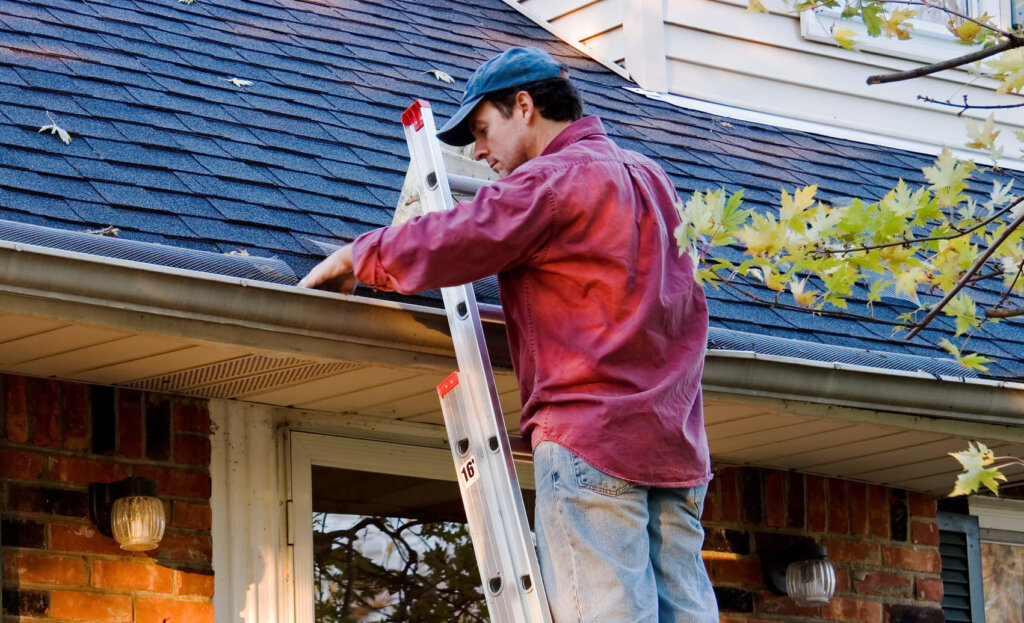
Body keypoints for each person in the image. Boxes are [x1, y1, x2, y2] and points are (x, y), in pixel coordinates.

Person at [299, 46, 717, 622]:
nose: (477, 151)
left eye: (482, 128)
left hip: (591, 444)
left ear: (524, 106)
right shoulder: (653, 179)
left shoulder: (555, 180)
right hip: (676, 453)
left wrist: (354, 256)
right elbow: (690, 302)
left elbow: (463, 235)